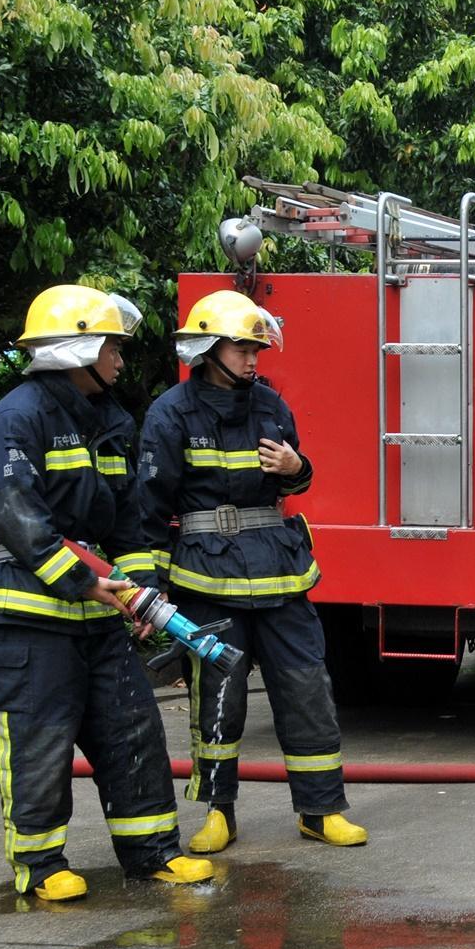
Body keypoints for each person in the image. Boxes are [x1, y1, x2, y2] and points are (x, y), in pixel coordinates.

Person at [0, 284, 214, 901]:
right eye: (113, 347)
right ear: (76, 347)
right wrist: (86, 581)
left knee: (131, 735)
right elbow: (15, 515)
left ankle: (152, 852)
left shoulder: (108, 421)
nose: (121, 360)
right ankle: (41, 867)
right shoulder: (14, 420)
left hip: (102, 620)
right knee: (38, 743)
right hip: (31, 622)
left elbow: (125, 521)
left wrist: (144, 596)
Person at [139, 291, 366, 853]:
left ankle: (322, 809)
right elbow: (147, 508)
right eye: (243, 348)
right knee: (219, 696)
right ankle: (218, 813)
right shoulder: (170, 413)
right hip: (206, 580)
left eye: (257, 349)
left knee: (306, 688)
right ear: (211, 349)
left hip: (280, 573)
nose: (253, 359)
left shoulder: (270, 406)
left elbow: (294, 482)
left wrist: (297, 467)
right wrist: (149, 591)